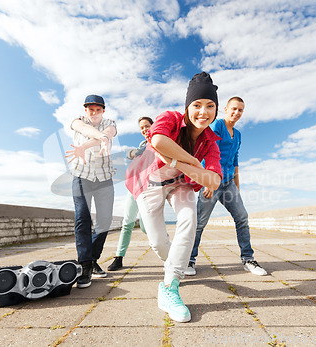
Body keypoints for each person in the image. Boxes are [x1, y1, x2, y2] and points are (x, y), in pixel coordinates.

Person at [125, 72, 222, 323]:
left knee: (189, 218)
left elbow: (215, 180)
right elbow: (158, 140)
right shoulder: (170, 118)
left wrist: (181, 164)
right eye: (197, 105)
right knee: (158, 242)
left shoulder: (211, 141)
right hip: (150, 182)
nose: (204, 112)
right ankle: (175, 265)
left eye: (210, 106)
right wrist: (195, 164)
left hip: (181, 184)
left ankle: (169, 287)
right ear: (187, 107)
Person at [184, 96, 267, 277]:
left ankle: (248, 258)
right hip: (212, 182)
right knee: (199, 223)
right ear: (226, 109)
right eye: (234, 109)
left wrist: (237, 186)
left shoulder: (237, 135)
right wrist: (208, 182)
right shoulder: (218, 126)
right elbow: (208, 152)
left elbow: (235, 161)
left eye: (240, 110)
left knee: (242, 217)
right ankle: (189, 260)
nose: (237, 113)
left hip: (229, 183)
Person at [65, 94, 117, 289]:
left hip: (104, 177)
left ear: (103, 110)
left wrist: (94, 141)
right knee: (82, 218)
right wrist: (99, 137)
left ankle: (93, 258)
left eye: (98, 109)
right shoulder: (77, 121)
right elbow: (84, 129)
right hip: (81, 176)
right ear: (85, 110)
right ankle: (85, 265)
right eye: (90, 109)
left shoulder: (110, 122)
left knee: (104, 221)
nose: (94, 113)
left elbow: (109, 133)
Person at [107, 116, 153, 271]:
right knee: (127, 223)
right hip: (134, 188)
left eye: (147, 126)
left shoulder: (159, 142)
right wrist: (133, 152)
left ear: (153, 126)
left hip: (149, 190)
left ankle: (168, 250)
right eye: (142, 127)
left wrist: (136, 152)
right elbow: (130, 155)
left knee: (147, 228)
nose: (144, 129)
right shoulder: (142, 144)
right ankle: (118, 257)